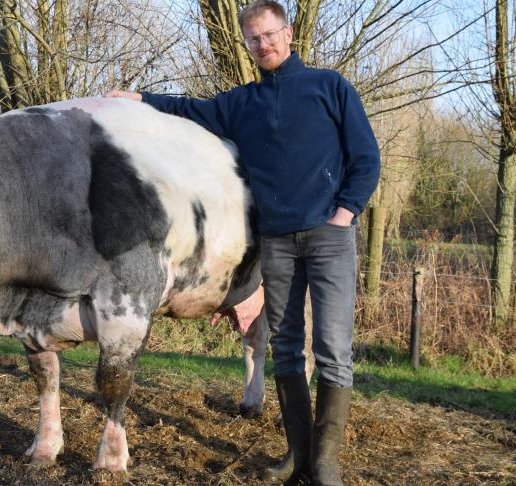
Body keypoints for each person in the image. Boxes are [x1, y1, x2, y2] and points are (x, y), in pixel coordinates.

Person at [107, 1, 380, 484]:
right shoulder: (242, 103)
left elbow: (366, 158)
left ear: (288, 33)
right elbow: (191, 109)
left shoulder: (329, 87)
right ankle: (298, 455)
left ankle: (325, 463)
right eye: (253, 39)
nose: (263, 45)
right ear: (247, 44)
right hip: (276, 241)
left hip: (328, 237)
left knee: (334, 347)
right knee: (287, 346)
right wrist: (139, 98)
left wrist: (343, 215)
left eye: (270, 35)